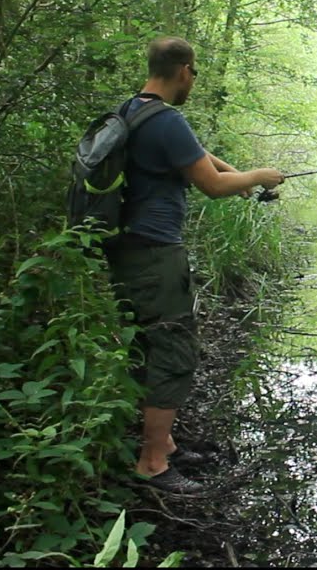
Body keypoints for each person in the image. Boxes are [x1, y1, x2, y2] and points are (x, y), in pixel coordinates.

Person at [106, 36, 285, 493]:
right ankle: (151, 463)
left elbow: (201, 159)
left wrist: (234, 173)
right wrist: (258, 177)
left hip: (129, 247)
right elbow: (211, 186)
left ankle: (162, 443)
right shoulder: (166, 119)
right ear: (184, 70)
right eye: (195, 72)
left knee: (149, 343)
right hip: (154, 253)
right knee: (171, 350)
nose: (194, 81)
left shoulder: (133, 110)